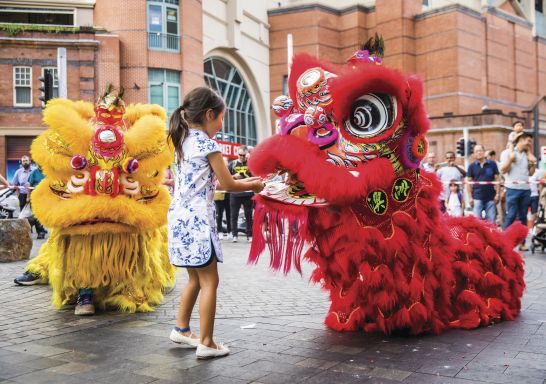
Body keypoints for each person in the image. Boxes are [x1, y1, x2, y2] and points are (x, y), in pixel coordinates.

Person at [167, 87, 264, 359]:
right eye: (221, 118)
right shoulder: (208, 145)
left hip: (180, 219)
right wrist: (254, 184)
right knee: (210, 281)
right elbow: (230, 183)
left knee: (195, 279)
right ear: (210, 115)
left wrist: (253, 183)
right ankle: (206, 342)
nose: (222, 125)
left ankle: (182, 329)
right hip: (198, 220)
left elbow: (219, 182)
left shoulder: (183, 140)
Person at [500, 132, 536, 251]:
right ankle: (503, 241)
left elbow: (530, 174)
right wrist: (510, 160)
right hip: (512, 189)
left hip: (525, 190)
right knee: (511, 216)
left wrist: (533, 164)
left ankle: (522, 243)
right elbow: (503, 170)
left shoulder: (528, 155)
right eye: (529, 141)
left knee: (523, 218)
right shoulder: (507, 153)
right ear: (521, 140)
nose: (530, 144)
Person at [466, 144, 500, 223]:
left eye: (480, 151)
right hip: (477, 197)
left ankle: (491, 235)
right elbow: (468, 183)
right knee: (476, 222)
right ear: (474, 154)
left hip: (491, 197)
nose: (479, 153)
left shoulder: (492, 164)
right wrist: (470, 197)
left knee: (491, 221)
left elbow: (497, 179)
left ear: (484, 152)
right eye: (476, 151)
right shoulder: (471, 166)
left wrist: (498, 194)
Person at [228, 146, 254, 242]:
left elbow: (255, 175)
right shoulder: (233, 163)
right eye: (240, 155)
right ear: (237, 154)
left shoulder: (250, 163)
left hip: (248, 193)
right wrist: (234, 176)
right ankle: (234, 235)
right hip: (235, 193)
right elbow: (226, 176)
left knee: (248, 215)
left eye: (243, 155)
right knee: (234, 215)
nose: (242, 157)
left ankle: (249, 235)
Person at [26, 165, 47, 239]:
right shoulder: (34, 172)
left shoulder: (48, 171)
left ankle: (41, 229)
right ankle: (40, 232)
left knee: (43, 215)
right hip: (35, 197)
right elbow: (29, 185)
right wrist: (28, 197)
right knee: (36, 215)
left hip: (47, 197)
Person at [214, 158, 231, 240]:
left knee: (229, 214)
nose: (226, 165)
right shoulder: (217, 170)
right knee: (219, 214)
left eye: (226, 163)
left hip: (228, 195)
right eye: (224, 163)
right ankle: (219, 231)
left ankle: (229, 231)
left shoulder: (229, 170)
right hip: (219, 195)